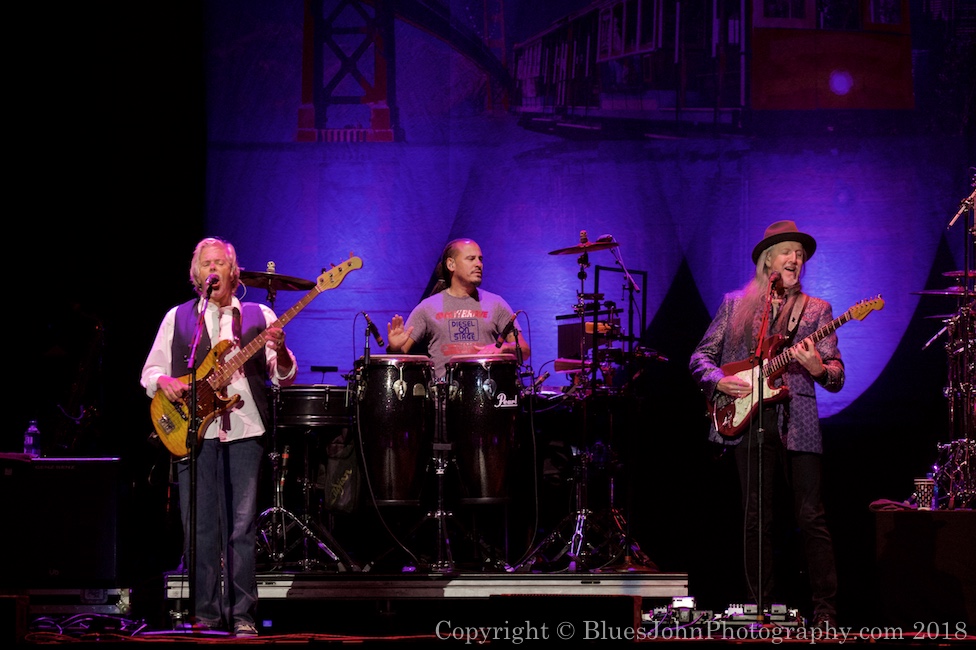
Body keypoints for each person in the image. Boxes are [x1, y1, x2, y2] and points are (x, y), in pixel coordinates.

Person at [688, 221, 843, 631]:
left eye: (800, 254)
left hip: (799, 421)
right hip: (750, 418)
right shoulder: (735, 306)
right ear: (767, 260)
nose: (796, 259)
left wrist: (818, 367)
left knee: (810, 516)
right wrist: (719, 380)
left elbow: (837, 374)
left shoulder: (816, 310)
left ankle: (825, 611)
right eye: (787, 252)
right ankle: (764, 610)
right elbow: (700, 357)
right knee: (757, 518)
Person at [140, 237, 296, 636]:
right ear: (196, 275)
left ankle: (243, 615)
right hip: (194, 431)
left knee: (240, 526)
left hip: (246, 429)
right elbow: (150, 373)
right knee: (201, 528)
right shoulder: (179, 318)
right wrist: (167, 383)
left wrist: (282, 350)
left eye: (220, 263)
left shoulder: (260, 314)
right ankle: (206, 614)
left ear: (233, 272)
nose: (213, 269)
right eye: (206, 263)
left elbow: (282, 374)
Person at [386, 238, 530, 380]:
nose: (478, 264)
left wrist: (504, 348)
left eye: (480, 259)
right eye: (471, 259)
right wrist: (395, 348)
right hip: (445, 398)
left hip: (488, 393)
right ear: (451, 264)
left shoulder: (496, 304)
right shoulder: (428, 307)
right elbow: (401, 355)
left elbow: (524, 351)